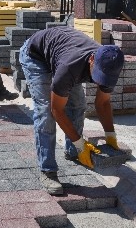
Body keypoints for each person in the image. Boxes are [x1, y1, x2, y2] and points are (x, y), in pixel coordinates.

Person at [19, 26, 124, 195]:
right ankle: (47, 170)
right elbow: (56, 110)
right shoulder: (69, 67)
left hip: (61, 52)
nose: (100, 81)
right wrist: (80, 142)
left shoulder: (109, 64)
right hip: (35, 56)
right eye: (97, 75)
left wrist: (110, 136)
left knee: (77, 105)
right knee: (45, 111)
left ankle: (73, 151)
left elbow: (102, 103)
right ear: (91, 60)